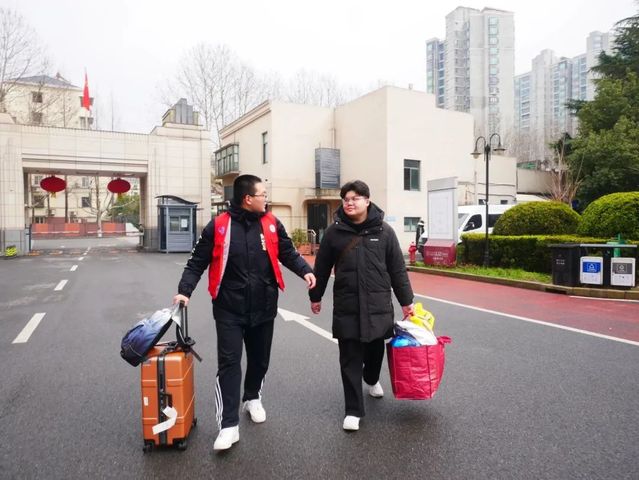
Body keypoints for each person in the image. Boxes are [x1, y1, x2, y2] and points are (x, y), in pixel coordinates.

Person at [173, 174, 316, 451]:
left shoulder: (271, 223)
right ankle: (228, 426)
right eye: (263, 194)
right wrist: (184, 291)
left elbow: (287, 252)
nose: (266, 198)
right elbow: (196, 262)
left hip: (264, 305)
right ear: (248, 199)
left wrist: (305, 271)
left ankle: (252, 397)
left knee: (260, 360)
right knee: (229, 363)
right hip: (229, 307)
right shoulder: (219, 226)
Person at [309, 180, 414, 431]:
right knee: (350, 358)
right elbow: (321, 268)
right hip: (347, 305)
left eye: (355, 198)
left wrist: (406, 302)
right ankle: (353, 410)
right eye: (346, 199)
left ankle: (372, 378)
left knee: (375, 351)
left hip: (378, 305)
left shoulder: (385, 232)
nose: (349, 202)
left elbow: (397, 270)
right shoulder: (334, 233)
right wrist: (316, 296)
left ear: (367, 201)